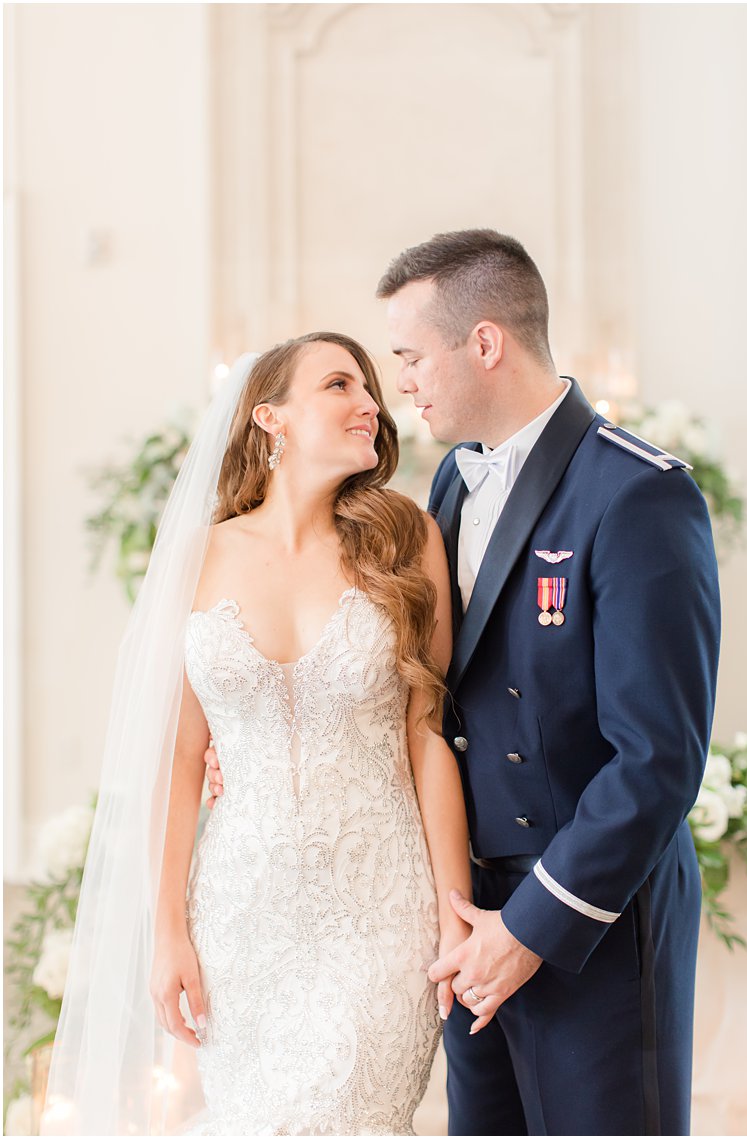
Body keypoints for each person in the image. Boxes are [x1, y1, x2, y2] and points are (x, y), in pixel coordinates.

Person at [45, 332, 470, 1134]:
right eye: (339, 385)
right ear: (270, 417)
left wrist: (454, 909)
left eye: (371, 388)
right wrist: (166, 926)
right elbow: (178, 755)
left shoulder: (406, 539)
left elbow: (427, 736)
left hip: (379, 909)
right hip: (240, 918)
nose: (370, 403)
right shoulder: (202, 555)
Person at [377, 229, 721, 1135]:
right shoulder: (452, 479)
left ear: (484, 342)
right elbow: (440, 693)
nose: (402, 381)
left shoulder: (639, 493)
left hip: (586, 921)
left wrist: (530, 926)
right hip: (469, 913)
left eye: (411, 355)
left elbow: (658, 759)